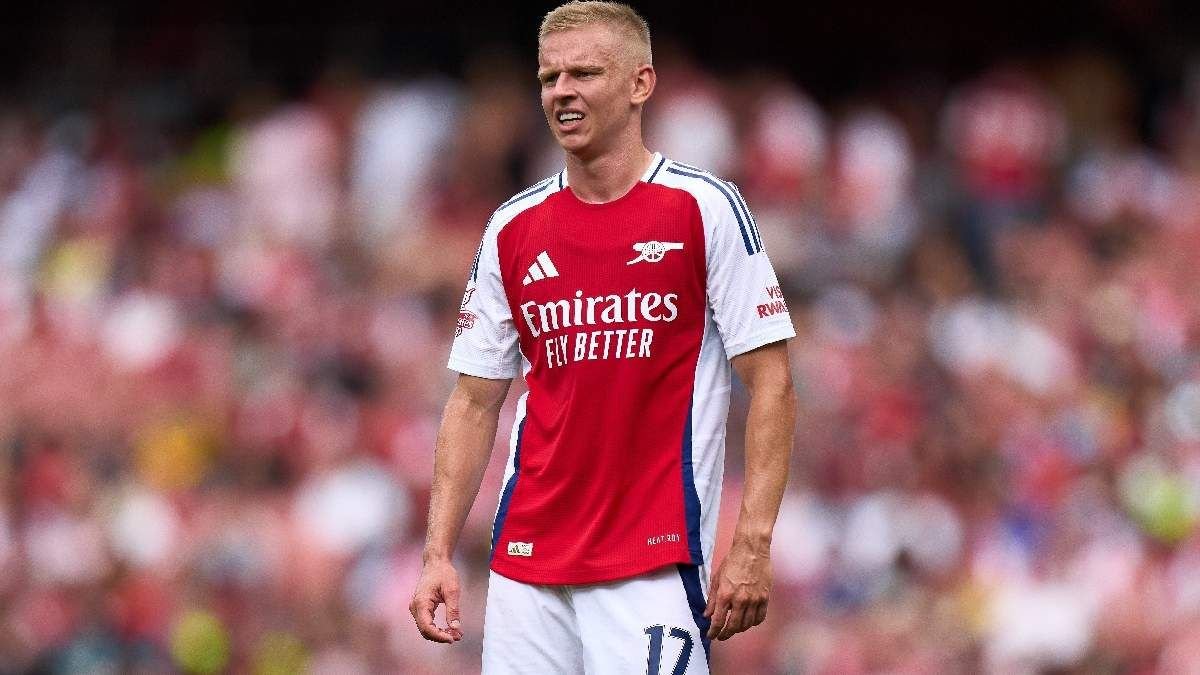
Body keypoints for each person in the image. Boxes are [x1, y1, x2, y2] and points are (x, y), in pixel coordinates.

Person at [409, 2, 797, 672]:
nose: (562, 92)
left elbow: (772, 381)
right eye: (549, 78)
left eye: (584, 73)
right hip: (527, 563)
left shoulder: (703, 208)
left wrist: (753, 541)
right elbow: (473, 400)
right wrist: (438, 551)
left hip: (652, 559)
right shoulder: (512, 226)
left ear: (640, 83)